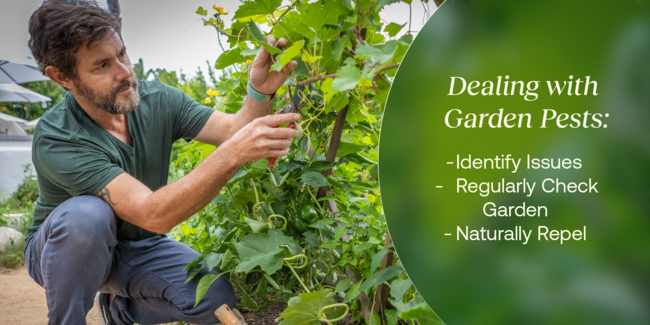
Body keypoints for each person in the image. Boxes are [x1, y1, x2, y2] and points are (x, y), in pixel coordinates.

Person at [24, 1, 300, 324]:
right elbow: (154, 214)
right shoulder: (57, 136)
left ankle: (119, 310)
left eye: (122, 54)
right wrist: (233, 153)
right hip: (68, 250)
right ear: (61, 77)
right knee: (89, 216)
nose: (125, 72)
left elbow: (231, 131)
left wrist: (259, 92)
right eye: (102, 66)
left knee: (213, 297)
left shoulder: (157, 100)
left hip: (134, 245)